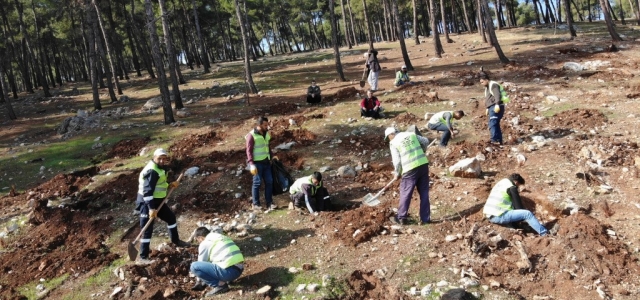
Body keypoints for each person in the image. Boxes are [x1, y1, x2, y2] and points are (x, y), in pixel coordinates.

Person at [135, 148, 190, 264]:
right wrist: (151, 209)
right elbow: (147, 192)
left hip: (158, 201)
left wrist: (170, 185)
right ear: (154, 158)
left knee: (171, 218)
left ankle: (176, 241)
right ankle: (143, 257)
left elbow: (159, 184)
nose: (161, 161)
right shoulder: (152, 171)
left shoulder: (160, 168)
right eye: (159, 158)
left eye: (164, 159)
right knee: (147, 229)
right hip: (147, 202)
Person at [384, 127, 431, 225]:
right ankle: (425, 219)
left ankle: (401, 218)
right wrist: (422, 150)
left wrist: (397, 173)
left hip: (410, 168)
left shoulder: (393, 142)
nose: (389, 139)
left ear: (391, 135)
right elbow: (426, 141)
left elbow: (397, 162)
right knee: (424, 192)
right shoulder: (410, 134)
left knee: (406, 192)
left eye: (388, 137)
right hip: (423, 164)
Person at [482, 174, 549, 236]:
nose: (517, 188)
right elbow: (519, 207)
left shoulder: (502, 182)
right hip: (498, 216)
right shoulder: (512, 187)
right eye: (518, 186)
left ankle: (515, 226)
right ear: (516, 182)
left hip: (489, 214)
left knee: (514, 213)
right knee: (527, 214)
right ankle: (544, 233)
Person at [190, 227, 244, 296]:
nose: (199, 242)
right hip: (239, 269)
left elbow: (201, 262)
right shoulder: (219, 236)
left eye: (198, 240)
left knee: (194, 266)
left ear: (200, 237)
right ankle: (227, 280)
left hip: (229, 273)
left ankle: (220, 286)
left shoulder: (205, 242)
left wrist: (199, 281)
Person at [246, 116, 278, 211]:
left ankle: (269, 203)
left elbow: (267, 146)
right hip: (256, 163)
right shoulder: (251, 135)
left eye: (267, 124)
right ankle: (256, 204)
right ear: (259, 125)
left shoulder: (266, 133)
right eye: (265, 125)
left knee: (269, 181)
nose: (267, 126)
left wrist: (272, 156)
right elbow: (249, 151)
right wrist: (251, 164)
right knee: (257, 183)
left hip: (266, 162)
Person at [479, 72, 506, 145]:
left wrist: (497, 104)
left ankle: (494, 140)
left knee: (492, 123)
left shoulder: (493, 85)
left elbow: (497, 95)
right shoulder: (487, 87)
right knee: (496, 124)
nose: (481, 84)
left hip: (496, 106)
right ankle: (499, 141)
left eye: (482, 82)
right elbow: (489, 98)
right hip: (492, 107)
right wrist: (488, 108)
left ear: (486, 79)